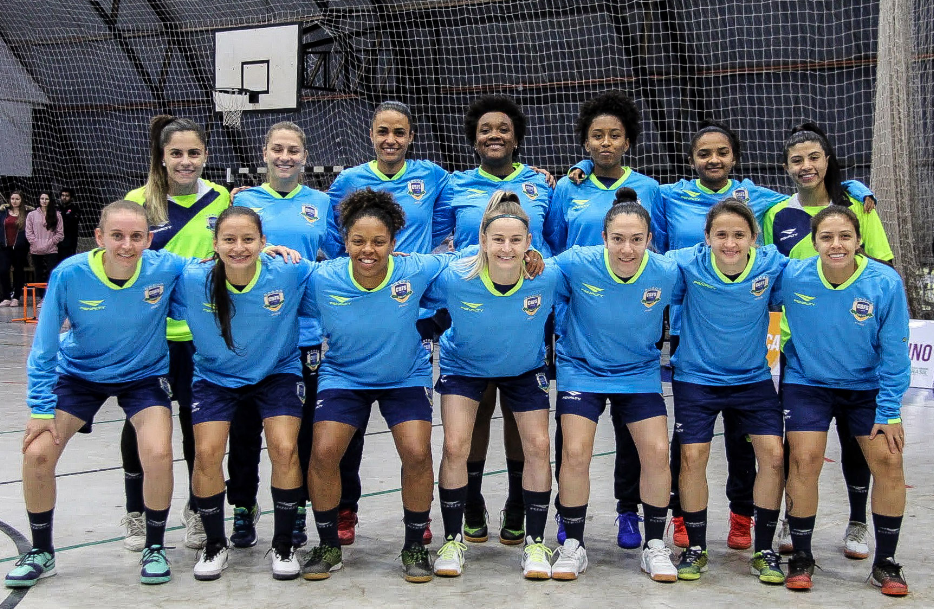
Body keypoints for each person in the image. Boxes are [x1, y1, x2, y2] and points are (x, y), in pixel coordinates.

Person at [658, 121, 874, 550]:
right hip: (693, 353)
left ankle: (745, 522)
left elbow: (810, 196)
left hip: (749, 369)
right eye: (704, 153)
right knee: (688, 449)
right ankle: (682, 520)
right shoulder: (670, 202)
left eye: (722, 151)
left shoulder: (761, 212)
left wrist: (849, 185)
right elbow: (635, 218)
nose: (713, 159)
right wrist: (583, 169)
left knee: (756, 450)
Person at [4, 200, 183, 588]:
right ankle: (42, 552)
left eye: (136, 236)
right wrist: (40, 409)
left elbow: (219, 266)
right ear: (99, 237)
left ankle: (154, 546)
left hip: (143, 375)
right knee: (37, 453)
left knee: (158, 452)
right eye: (117, 235)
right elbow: (44, 346)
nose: (126, 245)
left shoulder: (167, 268)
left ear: (148, 240)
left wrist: (268, 249)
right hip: (79, 375)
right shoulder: (70, 274)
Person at [301, 188, 456, 583]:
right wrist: (269, 252)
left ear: (393, 242)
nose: (368, 250)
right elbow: (275, 278)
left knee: (417, 452)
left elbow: (469, 264)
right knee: (323, 452)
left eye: (378, 241)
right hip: (344, 375)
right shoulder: (322, 277)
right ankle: (328, 544)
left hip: (404, 375)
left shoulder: (415, 268)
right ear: (345, 241)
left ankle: (414, 545)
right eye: (358, 241)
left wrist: (526, 255)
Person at [432, 94, 561, 545]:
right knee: (476, 410)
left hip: (522, 302)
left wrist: (538, 262)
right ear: (473, 139)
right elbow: (432, 238)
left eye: (503, 128)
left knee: (519, 413)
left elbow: (554, 239)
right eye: (485, 129)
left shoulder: (542, 183)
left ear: (517, 138)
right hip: (472, 303)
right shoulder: (454, 184)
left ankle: (517, 503)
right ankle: (471, 502)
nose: (494, 135)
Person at [324, 101, 450, 545]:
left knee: (414, 442)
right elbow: (332, 238)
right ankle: (344, 510)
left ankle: (417, 521)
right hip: (360, 304)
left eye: (399, 132)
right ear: (371, 134)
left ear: (411, 136)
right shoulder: (348, 181)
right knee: (345, 435)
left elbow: (449, 223)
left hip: (411, 312)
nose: (390, 140)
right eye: (383, 131)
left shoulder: (433, 176)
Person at [764, 122, 891, 559]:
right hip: (800, 349)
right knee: (799, 446)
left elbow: (882, 268)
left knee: (858, 441)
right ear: (786, 167)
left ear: (827, 160)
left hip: (855, 346)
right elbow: (771, 276)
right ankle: (792, 517)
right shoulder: (776, 215)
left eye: (814, 157)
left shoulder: (858, 204)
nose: (806, 166)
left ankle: (858, 522)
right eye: (797, 160)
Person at [169, 206, 310, 582]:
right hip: (215, 377)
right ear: (214, 244)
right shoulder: (192, 278)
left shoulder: (288, 271)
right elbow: (145, 269)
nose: (239, 247)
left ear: (264, 242)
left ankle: (284, 544)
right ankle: (215, 544)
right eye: (229, 239)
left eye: (248, 239)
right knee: (206, 453)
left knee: (285, 448)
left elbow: (340, 274)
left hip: (276, 373)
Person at [425, 191, 558, 579]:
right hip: (464, 366)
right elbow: (411, 275)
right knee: (455, 445)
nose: (506, 248)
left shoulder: (547, 275)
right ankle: (453, 540)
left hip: (523, 367)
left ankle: (535, 542)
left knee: (539, 445)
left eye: (516, 240)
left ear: (529, 242)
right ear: (482, 240)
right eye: (498, 239)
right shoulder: (455, 275)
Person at [552, 91, 663, 550]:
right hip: (579, 324)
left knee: (634, 434)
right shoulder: (568, 186)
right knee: (572, 435)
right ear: (585, 142)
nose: (605, 142)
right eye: (596, 135)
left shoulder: (649, 189)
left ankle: (628, 510)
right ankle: (566, 514)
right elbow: (553, 244)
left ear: (628, 141)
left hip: (632, 326)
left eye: (614, 135)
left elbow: (661, 249)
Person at [550, 191, 680, 582]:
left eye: (636, 239)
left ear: (649, 239)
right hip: (582, 369)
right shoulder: (577, 262)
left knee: (657, 451)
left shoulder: (666, 271)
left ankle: (654, 545)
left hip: (638, 372)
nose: (627, 248)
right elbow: (532, 269)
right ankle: (573, 544)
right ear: (604, 237)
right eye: (618, 239)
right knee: (575, 451)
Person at [781, 206, 909, 596]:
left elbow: (895, 352)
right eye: (826, 237)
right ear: (814, 242)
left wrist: (890, 411)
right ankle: (801, 555)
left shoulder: (884, 283)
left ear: (858, 240)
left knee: (889, 459)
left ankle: (885, 562)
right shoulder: (794, 275)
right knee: (804, 459)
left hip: (866, 387)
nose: (836, 245)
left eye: (844, 236)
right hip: (808, 382)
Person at [225, 121, 340, 550]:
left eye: (293, 150)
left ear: (305, 156)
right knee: (244, 430)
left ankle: (296, 511)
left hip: (304, 334)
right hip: (251, 334)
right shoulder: (244, 201)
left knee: (300, 433)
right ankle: (242, 505)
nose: (285, 157)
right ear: (265, 153)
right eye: (278, 149)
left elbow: (338, 257)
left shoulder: (322, 203)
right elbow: (224, 252)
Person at [120, 115, 231, 552]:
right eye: (177, 153)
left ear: (205, 155)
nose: (186, 161)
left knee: (194, 424)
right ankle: (136, 512)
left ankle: (197, 509)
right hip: (148, 336)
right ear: (162, 157)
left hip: (200, 335)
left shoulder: (221, 197)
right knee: (141, 424)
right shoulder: (139, 202)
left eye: (194, 153)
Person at [667, 199, 788, 584]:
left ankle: (764, 549)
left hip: (752, 379)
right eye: (721, 234)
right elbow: (637, 266)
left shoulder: (772, 265)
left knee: (773, 456)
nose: (730, 243)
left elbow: (814, 276)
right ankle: (696, 547)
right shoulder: (686, 263)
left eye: (739, 234)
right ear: (706, 238)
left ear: (754, 237)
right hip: (697, 379)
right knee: (692, 456)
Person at [25, 191, 64, 299]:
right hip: (36, 249)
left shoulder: (57, 215)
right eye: (42, 199)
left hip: (51, 249)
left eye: (46, 199)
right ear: (39, 200)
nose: (44, 201)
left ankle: (51, 297)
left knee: (51, 272)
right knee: (39, 273)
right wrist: (36, 243)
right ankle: (42, 297)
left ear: (50, 200)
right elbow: (28, 233)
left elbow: (60, 233)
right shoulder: (31, 215)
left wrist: (50, 243)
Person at [0, 191, 33, 307]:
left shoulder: (27, 213)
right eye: (12, 199)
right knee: (3, 270)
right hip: (5, 247)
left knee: (18, 271)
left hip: (20, 248)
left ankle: (16, 297)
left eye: (17, 199)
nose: (14, 201)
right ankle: (6, 297)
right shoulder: (4, 212)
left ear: (21, 200)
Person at [58, 187, 80, 260]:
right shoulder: (57, 208)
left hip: (69, 242)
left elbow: (70, 223)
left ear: (71, 198)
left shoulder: (75, 209)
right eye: (63, 195)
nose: (64, 197)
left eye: (67, 196)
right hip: (57, 241)